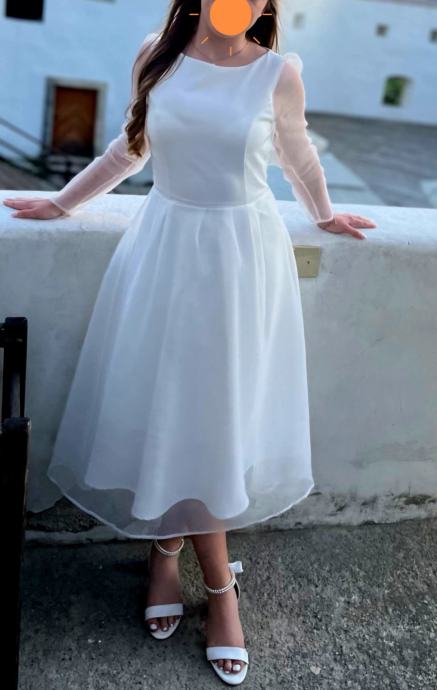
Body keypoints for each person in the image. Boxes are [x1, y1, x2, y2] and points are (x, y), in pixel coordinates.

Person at [3, 0, 377, 684]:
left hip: (240, 259)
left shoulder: (276, 72)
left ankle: (180, 560)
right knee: (171, 413)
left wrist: (324, 214)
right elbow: (130, 147)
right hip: (165, 250)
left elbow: (296, 154)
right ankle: (199, 573)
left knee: (214, 420)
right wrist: (62, 202)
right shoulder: (158, 54)